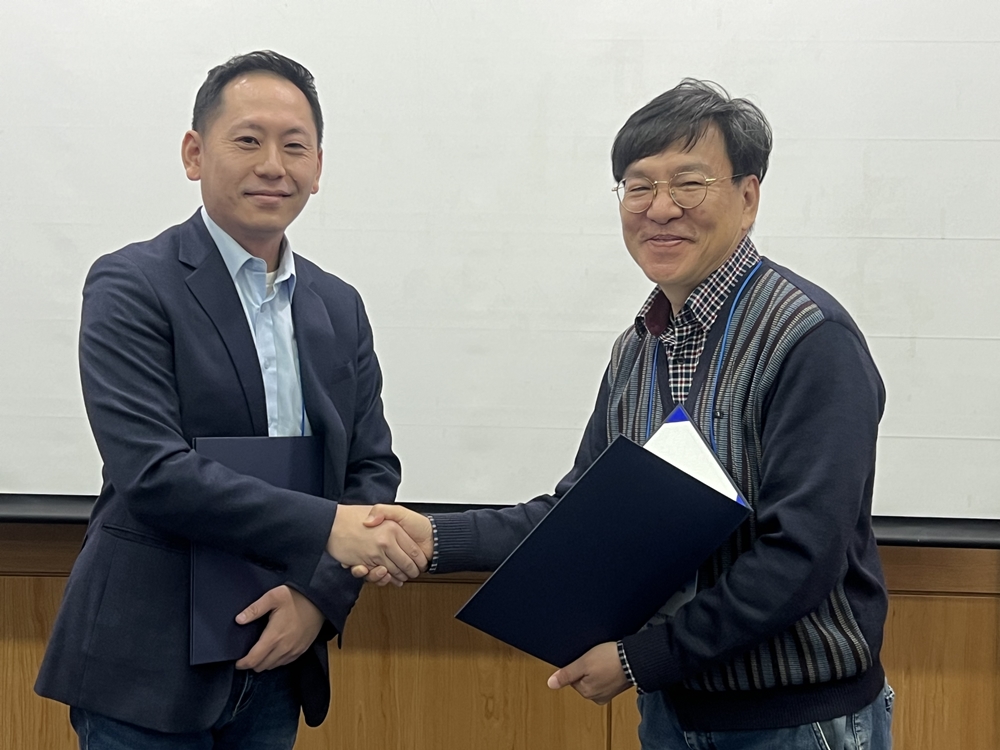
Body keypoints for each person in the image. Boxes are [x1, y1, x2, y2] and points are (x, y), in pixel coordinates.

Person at [355, 79, 894, 749]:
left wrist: (643, 658)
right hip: (672, 715)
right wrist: (434, 539)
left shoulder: (809, 339)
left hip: (794, 723)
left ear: (748, 198)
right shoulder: (638, 348)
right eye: (639, 187)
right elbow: (577, 513)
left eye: (689, 184)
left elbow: (801, 557)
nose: (660, 209)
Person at [35, 50, 426, 748]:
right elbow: (153, 473)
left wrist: (317, 597)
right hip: (147, 665)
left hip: (277, 655)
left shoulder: (338, 305)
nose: (273, 165)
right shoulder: (131, 285)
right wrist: (328, 530)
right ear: (194, 153)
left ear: (318, 167)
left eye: (295, 146)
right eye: (248, 140)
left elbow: (370, 469)